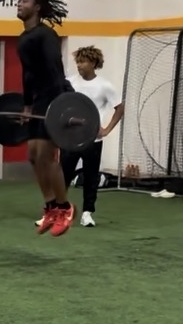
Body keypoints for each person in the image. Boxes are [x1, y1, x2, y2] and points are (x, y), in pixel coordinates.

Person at [34, 45, 123, 228]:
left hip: (92, 139)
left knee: (91, 177)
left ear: (94, 63)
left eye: (83, 62)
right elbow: (58, 105)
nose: (79, 65)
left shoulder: (105, 86)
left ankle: (87, 214)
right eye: (78, 62)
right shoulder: (69, 83)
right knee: (62, 177)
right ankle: (55, 213)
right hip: (69, 138)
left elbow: (120, 108)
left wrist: (106, 130)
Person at [15, 0, 76, 237]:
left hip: (55, 97)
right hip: (39, 99)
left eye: (25, 0)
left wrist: (60, 105)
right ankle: (50, 206)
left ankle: (64, 207)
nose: (19, 4)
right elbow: (27, 74)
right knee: (32, 155)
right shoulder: (23, 38)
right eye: (19, 0)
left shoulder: (46, 35)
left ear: (37, 7)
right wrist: (28, 105)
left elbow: (55, 69)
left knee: (47, 156)